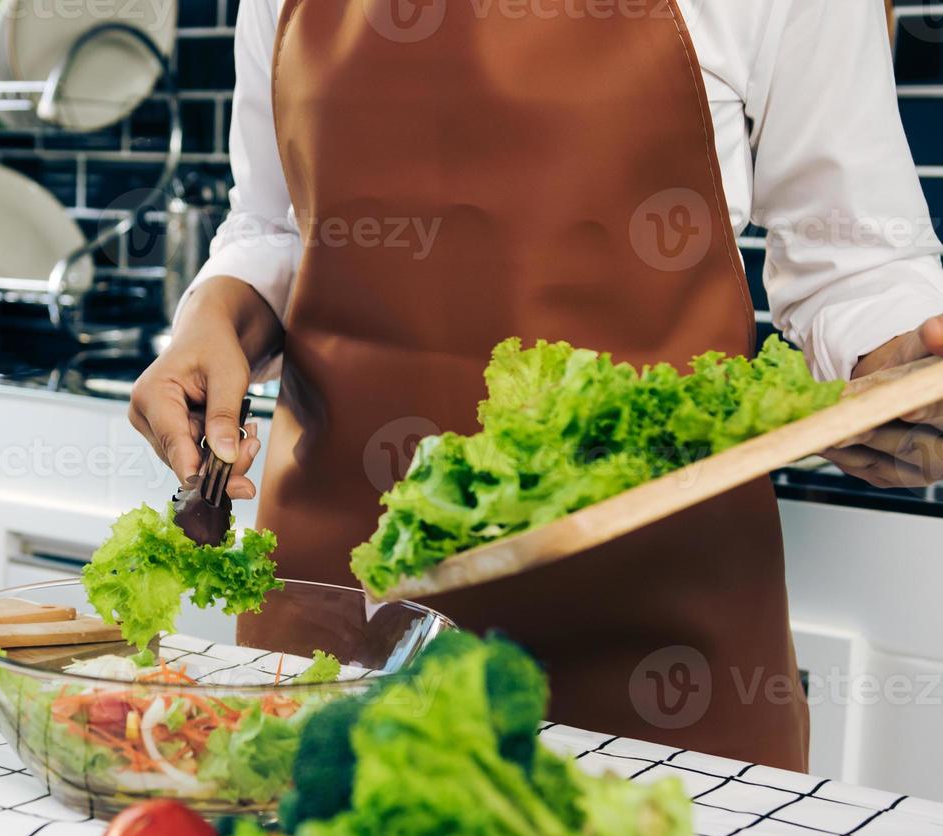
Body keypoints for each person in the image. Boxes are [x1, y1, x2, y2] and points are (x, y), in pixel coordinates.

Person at [129, 0, 943, 770]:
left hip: (661, 641)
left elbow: (860, 267)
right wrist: (211, 318)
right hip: (344, 611)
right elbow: (274, 227)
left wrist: (903, 369)